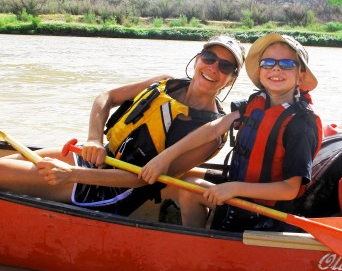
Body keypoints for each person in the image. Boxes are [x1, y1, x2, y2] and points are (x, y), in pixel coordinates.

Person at [0, 35, 245, 216]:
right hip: (97, 160)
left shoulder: (212, 135)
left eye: (224, 66)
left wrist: (73, 175)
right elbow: (105, 98)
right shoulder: (165, 83)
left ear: (230, 80)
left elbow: (144, 180)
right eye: (209, 58)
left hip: (111, 192)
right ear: (197, 60)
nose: (213, 68)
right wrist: (95, 139)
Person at [139, 33, 322, 231]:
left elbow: (290, 189)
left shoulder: (301, 124)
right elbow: (214, 128)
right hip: (242, 189)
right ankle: (206, 225)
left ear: (300, 77)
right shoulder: (256, 103)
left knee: (190, 189)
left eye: (286, 64)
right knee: (185, 175)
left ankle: (200, 244)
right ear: (260, 72)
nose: (276, 68)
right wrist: (166, 156)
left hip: (267, 212)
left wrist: (233, 188)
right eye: (268, 63)